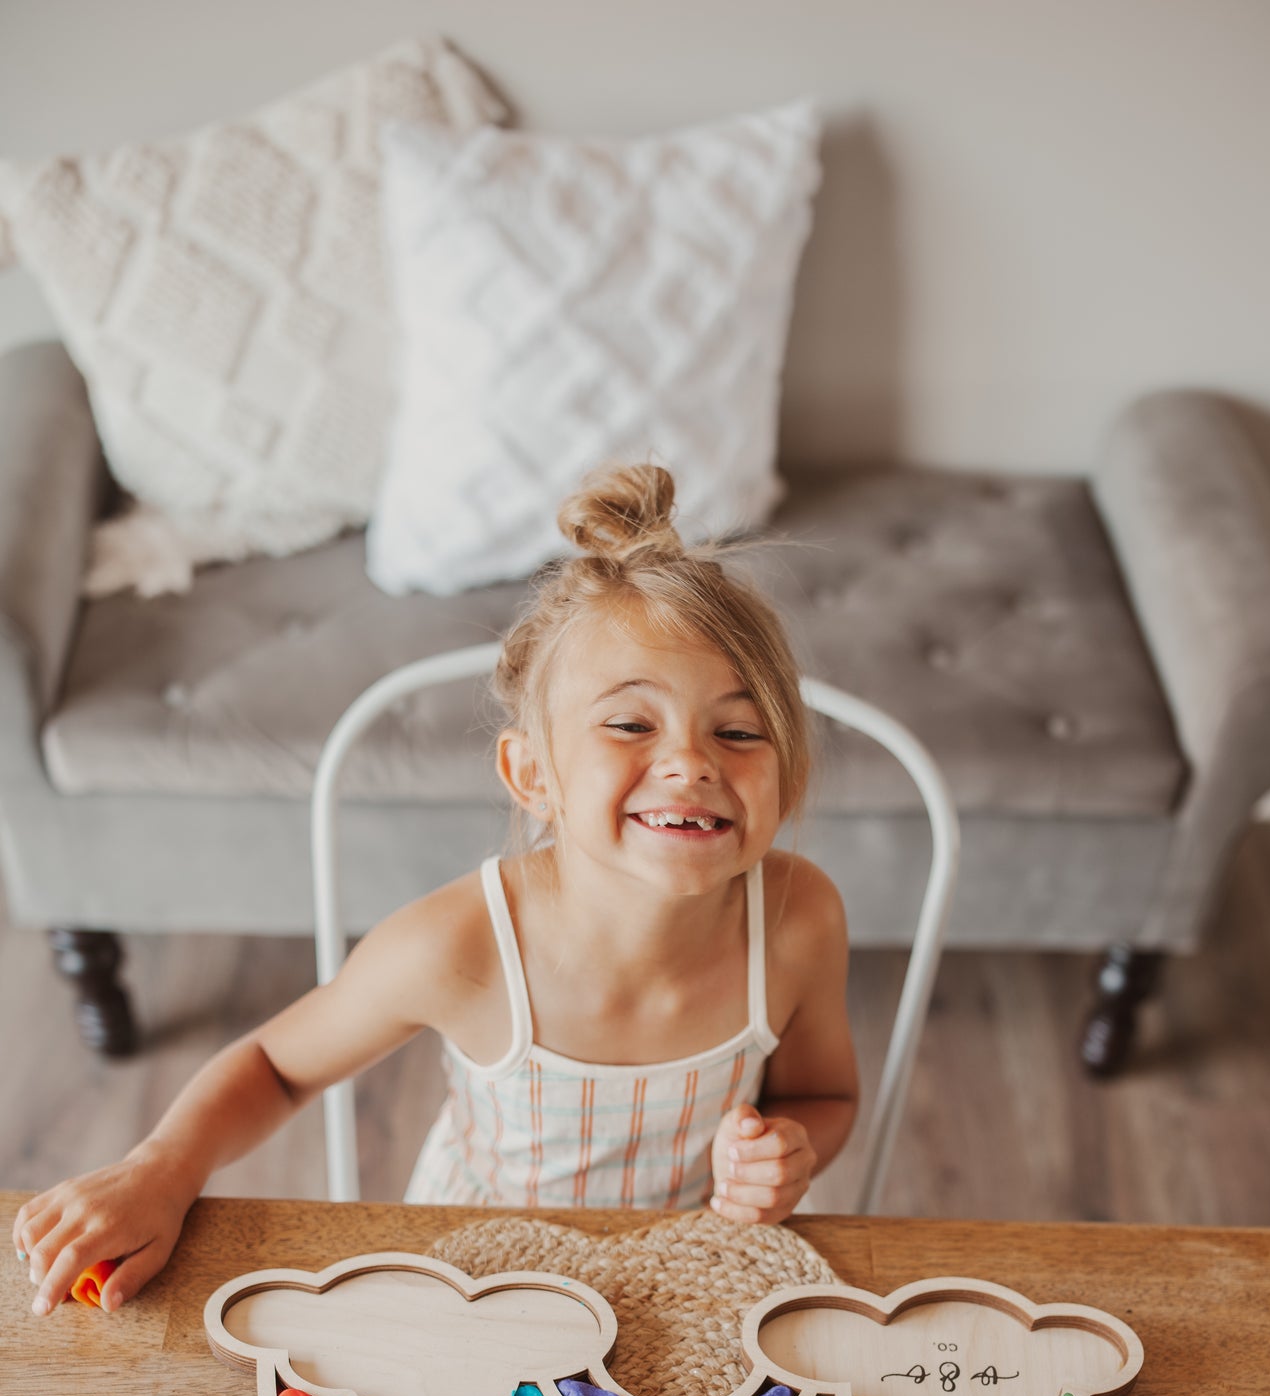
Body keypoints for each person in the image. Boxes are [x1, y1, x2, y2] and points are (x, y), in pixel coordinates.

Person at [15, 463, 859, 1318]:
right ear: (533, 774)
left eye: (741, 729)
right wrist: (159, 1172)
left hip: (696, 1277)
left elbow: (822, 1097)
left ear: (786, 777)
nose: (690, 761)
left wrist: (790, 1150)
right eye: (630, 724)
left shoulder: (800, 920)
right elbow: (274, 1065)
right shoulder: (462, 947)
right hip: (477, 1280)